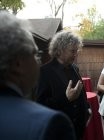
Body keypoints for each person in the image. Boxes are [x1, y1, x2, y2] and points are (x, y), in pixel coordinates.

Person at [0, 11, 76, 140]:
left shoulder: (74, 69)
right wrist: (65, 98)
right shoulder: (51, 124)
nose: (39, 61)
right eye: (36, 54)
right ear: (18, 63)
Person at [35, 30, 90, 140]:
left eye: (76, 51)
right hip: (58, 131)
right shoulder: (44, 72)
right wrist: (66, 98)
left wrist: (87, 108)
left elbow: (80, 91)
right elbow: (40, 104)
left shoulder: (75, 68)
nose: (75, 54)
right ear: (59, 50)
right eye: (72, 51)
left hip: (78, 129)